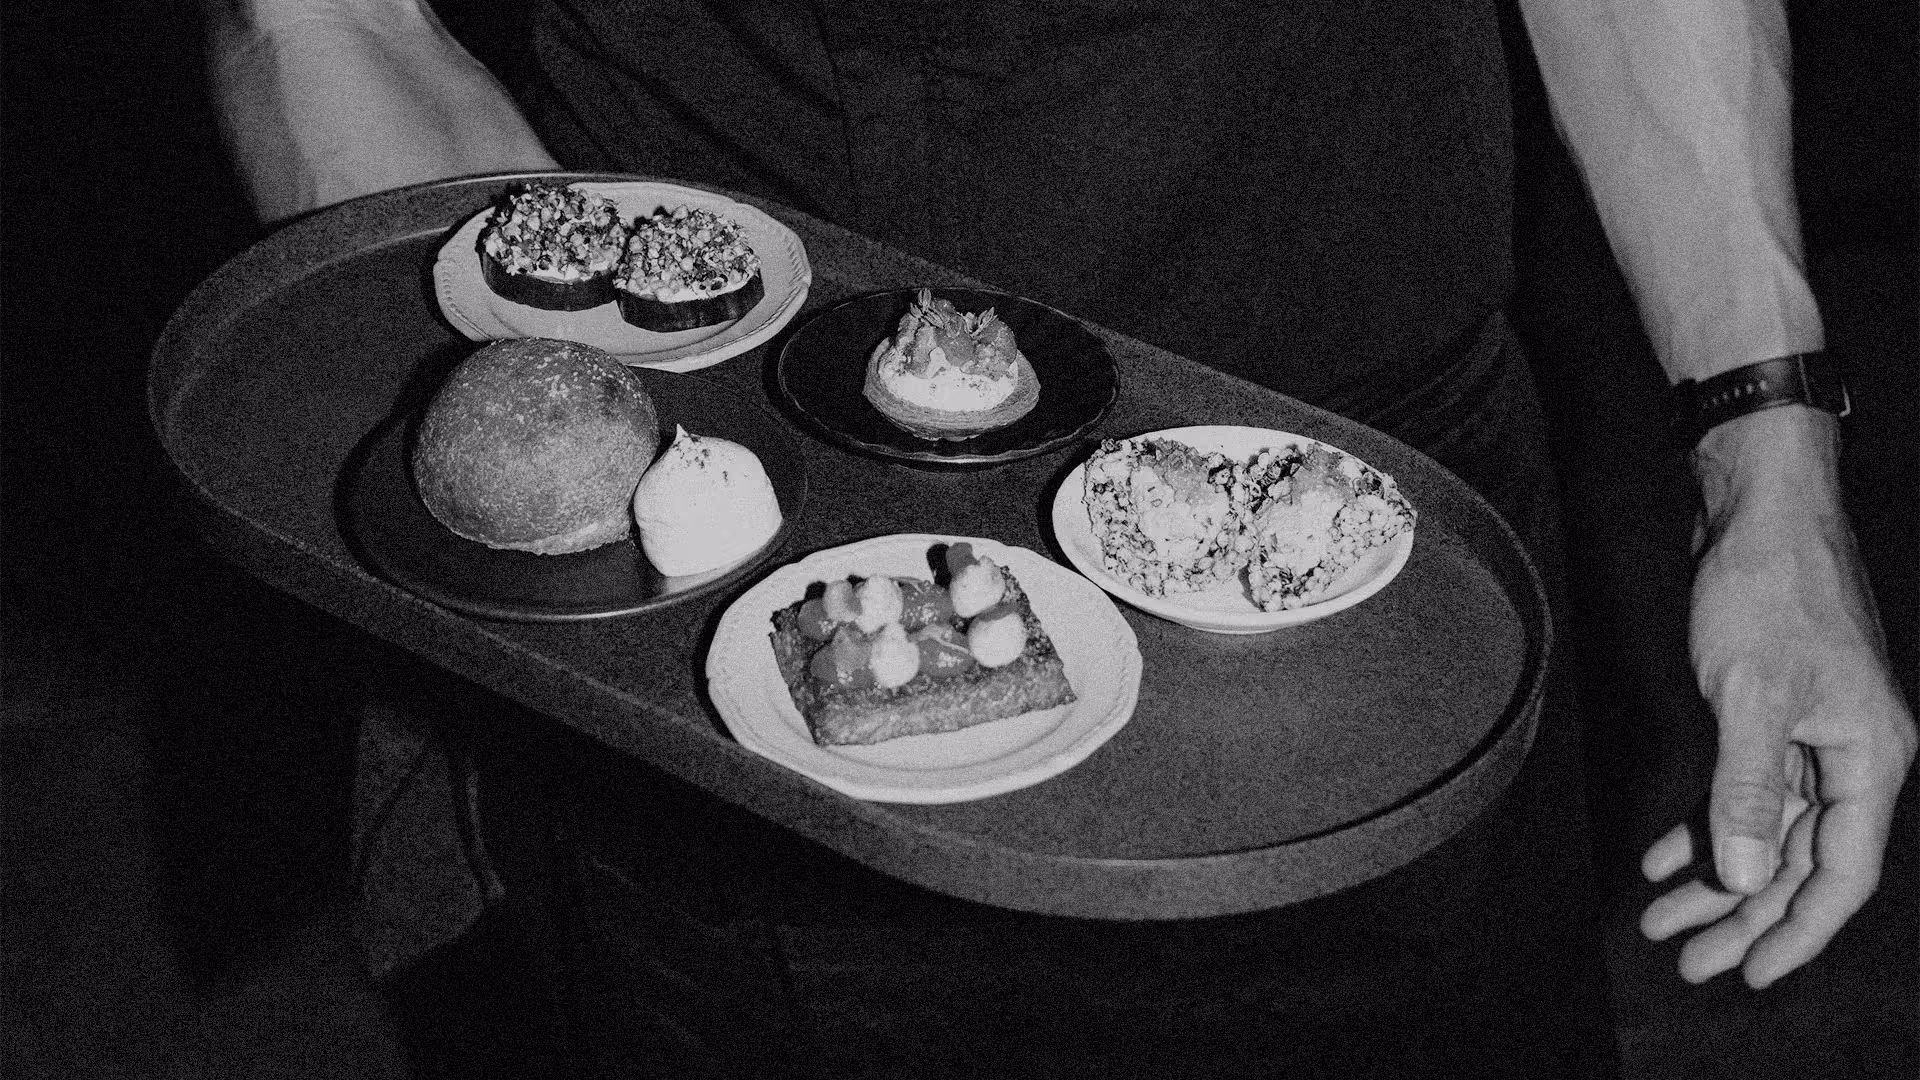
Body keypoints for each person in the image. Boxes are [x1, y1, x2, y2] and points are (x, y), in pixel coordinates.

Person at [205, 0, 1914, 1072]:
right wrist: (610, 505)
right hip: (774, 627)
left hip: (1369, 576)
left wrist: (1768, 452)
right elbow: (322, 20)